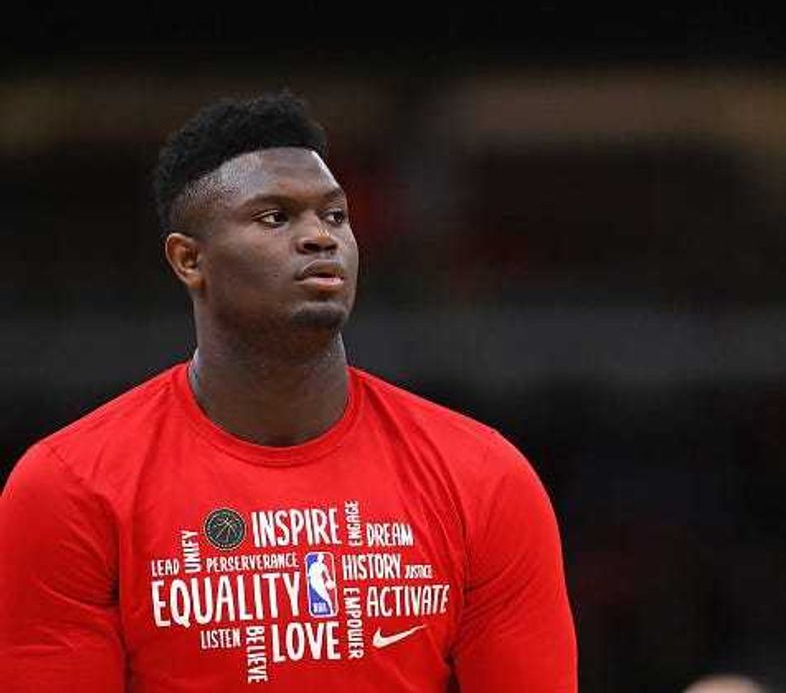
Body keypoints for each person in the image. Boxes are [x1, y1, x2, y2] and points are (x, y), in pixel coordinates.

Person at [0, 92, 577, 692]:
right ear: (189, 260)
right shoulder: (69, 486)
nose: (320, 238)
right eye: (276, 217)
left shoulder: (484, 478)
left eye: (334, 216)